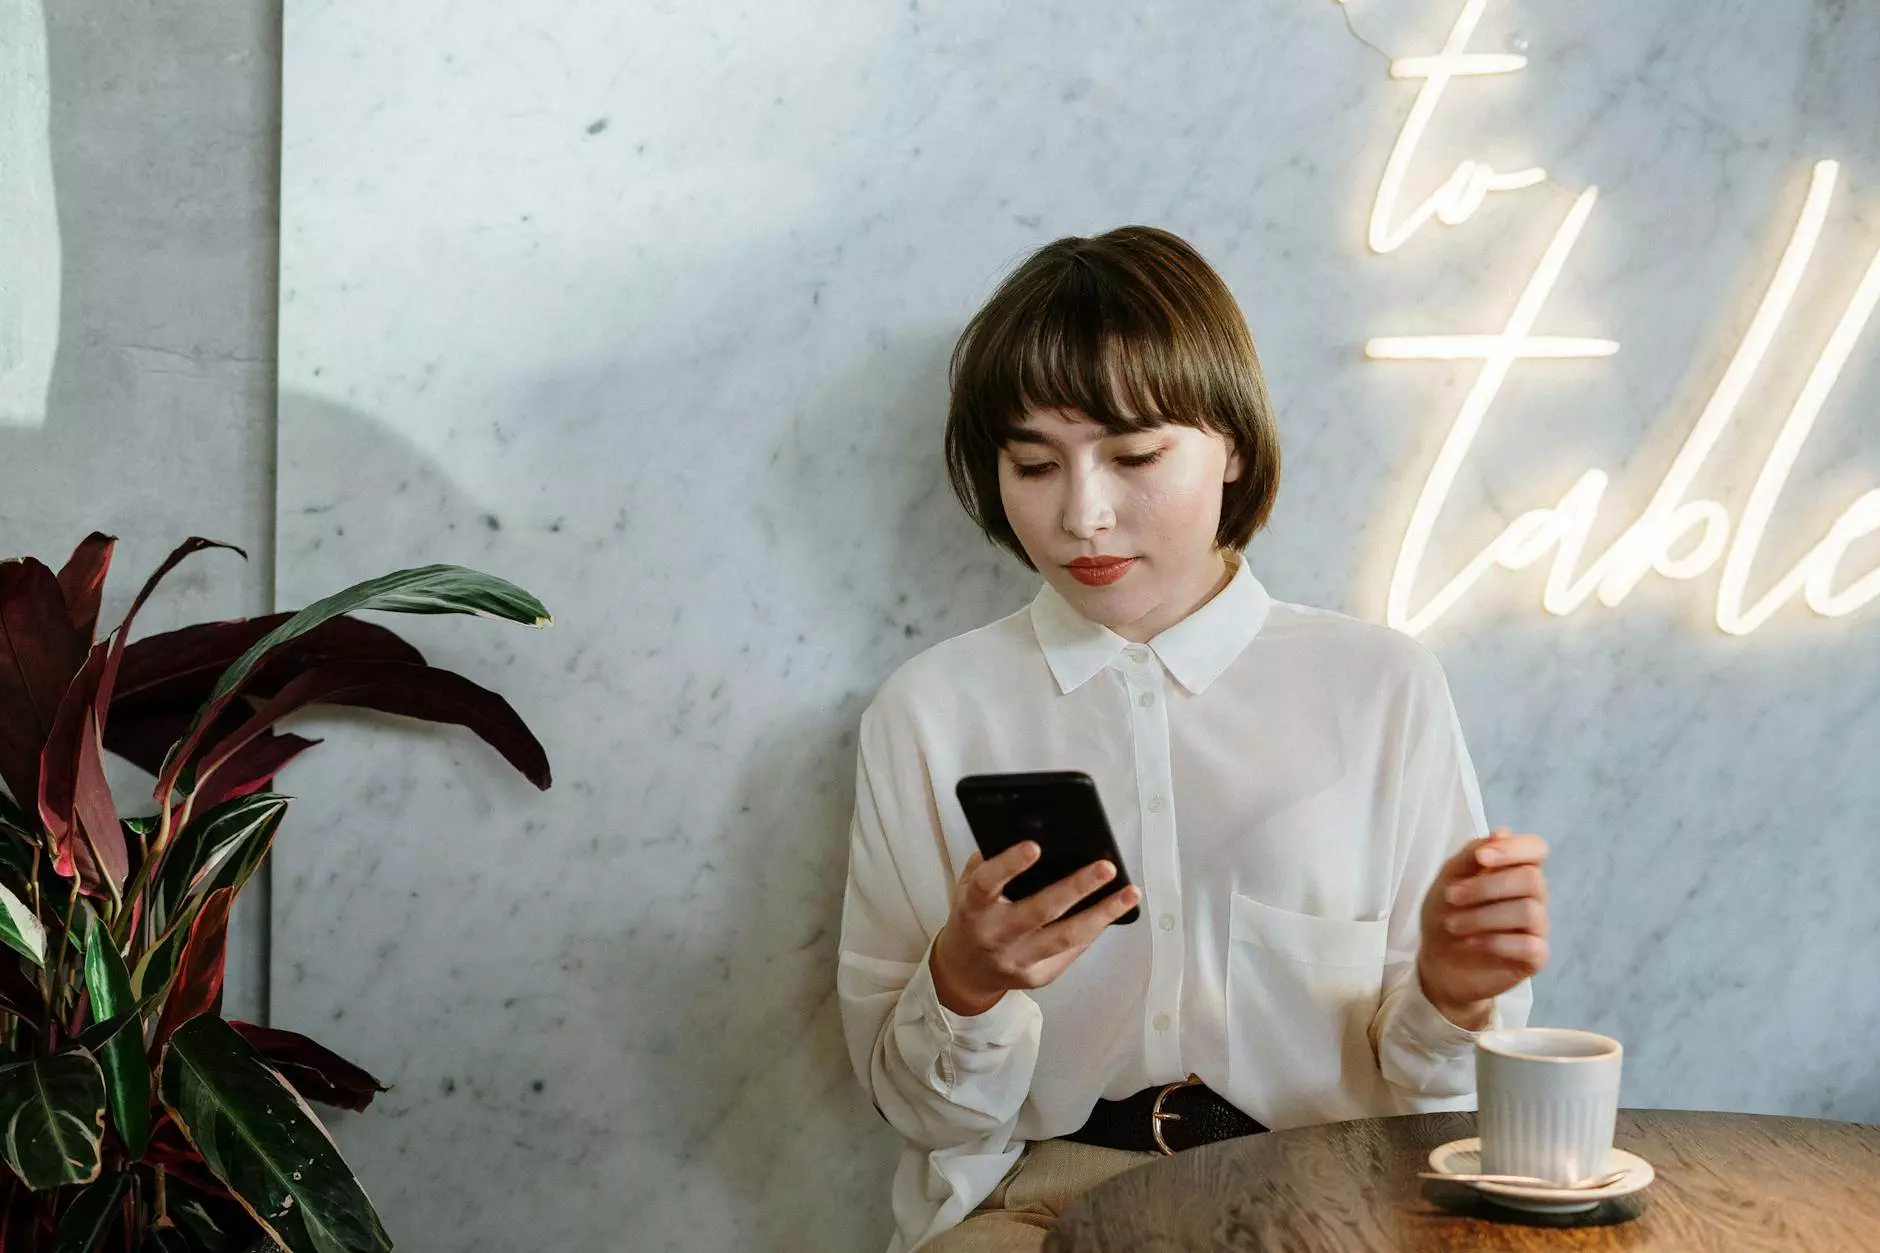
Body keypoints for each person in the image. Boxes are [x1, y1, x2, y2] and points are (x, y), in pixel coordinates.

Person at [836, 226, 1550, 1253]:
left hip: (1325, 1197)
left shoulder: (1376, 687)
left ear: (1234, 447)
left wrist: (1450, 991)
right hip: (1037, 1207)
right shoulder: (930, 711)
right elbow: (924, 1112)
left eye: (1133, 456)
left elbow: (1437, 1099)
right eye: (1032, 462)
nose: (1083, 514)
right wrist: (966, 979)